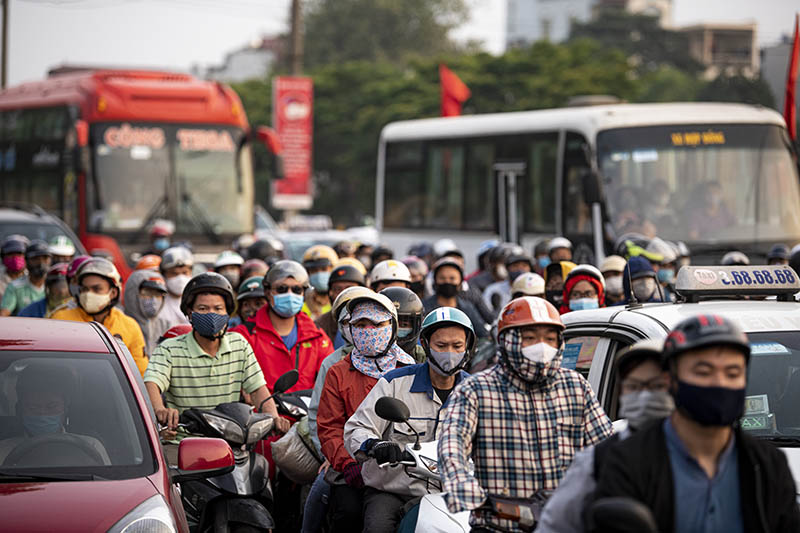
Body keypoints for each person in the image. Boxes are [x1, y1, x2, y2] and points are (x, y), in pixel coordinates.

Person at [594, 314, 800, 532]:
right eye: (703, 372)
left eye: (732, 373)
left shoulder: (766, 464)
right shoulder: (627, 461)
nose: (720, 383)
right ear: (670, 380)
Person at [438, 297, 613, 531]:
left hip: (564, 522)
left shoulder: (575, 386)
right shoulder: (475, 390)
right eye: (530, 338)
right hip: (499, 524)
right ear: (506, 340)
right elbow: (452, 446)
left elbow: (606, 447)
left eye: (550, 339)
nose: (541, 346)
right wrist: (466, 490)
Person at [344, 307, 474, 532]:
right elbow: (358, 428)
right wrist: (376, 445)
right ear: (425, 344)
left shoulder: (478, 393)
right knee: (377, 528)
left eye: (457, 346)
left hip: (455, 494)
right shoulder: (395, 383)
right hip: (395, 491)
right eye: (441, 346)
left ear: (468, 348)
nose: (449, 353)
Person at [143, 272, 288, 465]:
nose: (211, 314)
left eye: (218, 308)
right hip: (183, 445)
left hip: (230, 444)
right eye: (202, 308)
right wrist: (160, 410)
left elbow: (257, 388)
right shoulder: (169, 348)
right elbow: (152, 382)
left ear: (228, 313)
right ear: (189, 312)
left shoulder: (239, 344)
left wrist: (273, 417)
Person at [537, 339, 674, 533]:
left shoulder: (713, 450)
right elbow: (555, 526)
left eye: (657, 386)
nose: (644, 396)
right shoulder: (598, 459)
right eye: (633, 387)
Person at [317, 293, 416, 533]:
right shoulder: (338, 372)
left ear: (391, 326)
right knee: (345, 513)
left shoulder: (410, 369)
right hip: (352, 468)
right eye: (361, 324)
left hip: (404, 469)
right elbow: (329, 428)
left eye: (377, 324)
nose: (369, 330)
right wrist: (349, 462)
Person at [302, 286, 375, 533]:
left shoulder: (403, 363)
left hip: (387, 460)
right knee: (322, 491)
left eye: (371, 322)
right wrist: (331, 456)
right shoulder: (333, 365)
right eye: (354, 322)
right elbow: (319, 419)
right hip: (341, 454)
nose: (365, 330)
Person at [231, 260, 333, 392]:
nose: (290, 295)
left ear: (303, 294)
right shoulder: (244, 336)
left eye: (296, 290)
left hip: (306, 410)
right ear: (268, 292)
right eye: (282, 289)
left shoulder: (317, 336)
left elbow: (329, 382)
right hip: (262, 411)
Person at [51, 258, 148, 376]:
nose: (88, 294)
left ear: (113, 293)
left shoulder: (130, 326)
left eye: (96, 289)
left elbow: (141, 374)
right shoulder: (60, 320)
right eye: (85, 289)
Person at [0, 360, 111, 464]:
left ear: (66, 408)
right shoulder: (4, 451)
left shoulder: (91, 447)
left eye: (51, 406)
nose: (42, 414)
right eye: (33, 407)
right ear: (20, 410)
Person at [422, 258, 488, 338]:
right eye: (442, 278)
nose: (447, 282)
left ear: (460, 282)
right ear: (435, 281)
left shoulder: (467, 308)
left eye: (452, 278)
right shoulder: (424, 307)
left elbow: (482, 334)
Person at [315, 264, 366, 348]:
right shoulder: (320, 324)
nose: (344, 294)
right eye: (338, 289)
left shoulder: (373, 319)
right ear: (330, 293)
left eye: (349, 288)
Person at [123, 270, 170, 357]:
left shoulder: (165, 327)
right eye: (147, 293)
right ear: (133, 293)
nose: (153, 300)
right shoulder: (120, 324)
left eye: (158, 295)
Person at [1, 240, 52, 316]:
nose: (41, 263)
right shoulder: (15, 287)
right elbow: (3, 314)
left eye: (45, 258)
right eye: (35, 259)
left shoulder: (54, 286)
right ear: (26, 261)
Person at [380, 286, 426, 362]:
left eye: (404, 325)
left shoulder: (423, 356)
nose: (396, 330)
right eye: (391, 325)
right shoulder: (358, 355)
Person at [482, 250, 534, 315]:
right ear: (507, 268)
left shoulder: (537, 289)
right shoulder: (493, 290)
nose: (520, 269)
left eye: (524, 265)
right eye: (515, 266)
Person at [158, 246, 193, 327]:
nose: (180, 278)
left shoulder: (198, 301)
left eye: (184, 273)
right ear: (164, 275)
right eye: (174, 273)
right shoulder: (159, 304)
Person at [302, 244, 339, 320]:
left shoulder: (340, 299)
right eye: (313, 270)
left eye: (324, 269)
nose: (318, 274)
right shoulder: (302, 302)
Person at [0, 235, 29, 300]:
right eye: (10, 254)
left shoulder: (32, 277)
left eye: (19, 254)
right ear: (3, 257)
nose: (15, 257)